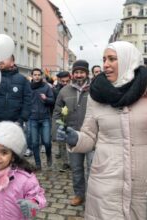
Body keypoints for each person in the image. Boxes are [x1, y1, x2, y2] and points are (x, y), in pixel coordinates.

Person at [56, 41, 147, 219]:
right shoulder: (96, 96)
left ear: (127, 60)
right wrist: (75, 138)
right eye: (104, 59)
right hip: (105, 181)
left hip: (144, 182)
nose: (105, 64)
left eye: (112, 59)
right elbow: (89, 136)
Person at [0, 121, 46, 219]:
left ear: (13, 157)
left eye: (4, 152)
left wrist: (32, 203)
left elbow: (38, 196)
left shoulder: (24, 178)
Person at [53, 60, 93, 206]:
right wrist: (56, 131)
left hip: (91, 136)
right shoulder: (64, 91)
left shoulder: (94, 89)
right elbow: (57, 112)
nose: (79, 75)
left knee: (92, 169)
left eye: (81, 72)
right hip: (72, 136)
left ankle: (91, 196)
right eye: (76, 72)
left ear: (86, 73)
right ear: (72, 74)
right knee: (76, 168)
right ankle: (79, 194)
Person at [0, 55, 32, 126]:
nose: (1, 61)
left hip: (15, 123)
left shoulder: (22, 80)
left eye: (4, 58)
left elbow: (28, 101)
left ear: (12, 62)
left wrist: (21, 119)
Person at [29, 68, 54, 170]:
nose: (37, 76)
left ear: (41, 76)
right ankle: (38, 164)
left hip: (45, 118)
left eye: (39, 75)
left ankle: (48, 155)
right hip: (32, 118)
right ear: (32, 76)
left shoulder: (46, 87)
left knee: (47, 141)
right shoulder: (28, 87)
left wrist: (46, 99)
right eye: (35, 75)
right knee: (35, 143)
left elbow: (52, 100)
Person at [52, 71, 70, 163]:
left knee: (71, 140)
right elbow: (54, 104)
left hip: (71, 117)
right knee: (61, 141)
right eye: (63, 81)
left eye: (67, 81)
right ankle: (65, 162)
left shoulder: (73, 89)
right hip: (60, 118)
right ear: (59, 80)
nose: (65, 83)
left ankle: (71, 160)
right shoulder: (55, 90)